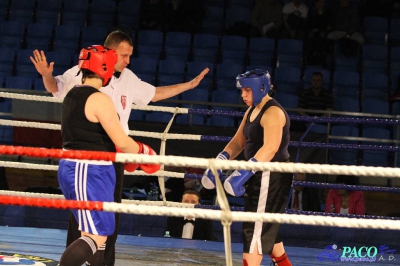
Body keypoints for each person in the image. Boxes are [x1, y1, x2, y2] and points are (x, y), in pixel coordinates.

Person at [30, 30, 209, 266]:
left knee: (103, 228)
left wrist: (188, 85)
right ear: (107, 58)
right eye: (123, 56)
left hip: (98, 162)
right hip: (91, 163)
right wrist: (144, 152)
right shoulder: (85, 86)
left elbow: (153, 94)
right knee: (92, 231)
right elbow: (55, 89)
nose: (126, 61)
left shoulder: (112, 81)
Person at [57, 45, 160, 265]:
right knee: (96, 235)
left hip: (82, 168)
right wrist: (144, 153)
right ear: (103, 67)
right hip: (87, 169)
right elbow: (122, 141)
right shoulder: (99, 99)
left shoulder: (72, 93)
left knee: (94, 233)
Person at [201, 69, 293, 266]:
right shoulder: (252, 110)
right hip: (258, 173)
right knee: (265, 228)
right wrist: (221, 160)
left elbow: (270, 147)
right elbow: (238, 141)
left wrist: (243, 173)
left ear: (261, 88)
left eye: (246, 90)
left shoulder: (273, 113)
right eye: (241, 90)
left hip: (271, 175)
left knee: (255, 230)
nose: (243, 95)